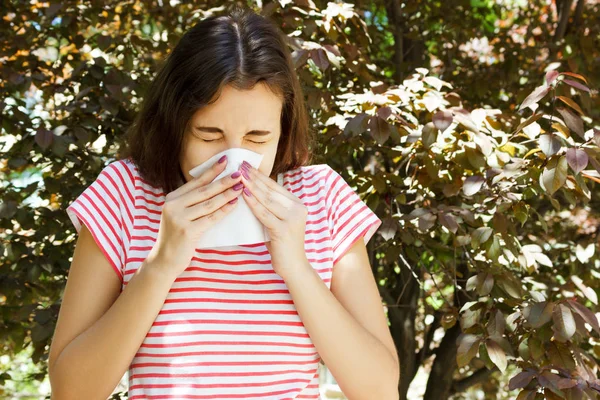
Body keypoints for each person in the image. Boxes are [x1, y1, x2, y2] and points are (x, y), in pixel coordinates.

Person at [48, 5, 399, 400]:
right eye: (209, 135)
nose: (234, 162)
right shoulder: (125, 194)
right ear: (174, 124)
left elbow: (379, 391)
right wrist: (161, 265)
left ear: (283, 130)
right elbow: (70, 391)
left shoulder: (321, 197)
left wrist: (297, 269)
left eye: (257, 138)